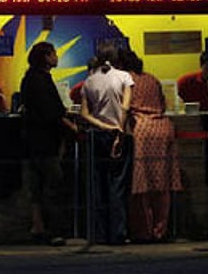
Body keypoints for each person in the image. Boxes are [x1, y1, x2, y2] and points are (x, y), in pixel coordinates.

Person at [120, 50, 183, 243]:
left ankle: (143, 232)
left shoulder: (125, 78)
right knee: (162, 185)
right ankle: (160, 230)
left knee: (141, 186)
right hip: (163, 128)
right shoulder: (153, 79)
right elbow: (163, 105)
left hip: (141, 130)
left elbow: (123, 106)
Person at [19, 42, 78, 247]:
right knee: (53, 185)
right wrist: (71, 126)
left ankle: (37, 227)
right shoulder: (42, 80)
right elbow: (51, 112)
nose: (56, 57)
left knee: (36, 188)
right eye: (53, 53)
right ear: (45, 57)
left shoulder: (28, 78)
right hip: (45, 142)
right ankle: (54, 231)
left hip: (31, 142)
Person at [80, 42, 134, 245]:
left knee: (98, 185)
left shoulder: (89, 81)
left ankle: (100, 234)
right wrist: (118, 132)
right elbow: (125, 106)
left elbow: (84, 114)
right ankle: (118, 234)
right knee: (118, 185)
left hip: (97, 136)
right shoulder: (124, 77)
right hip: (119, 133)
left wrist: (102, 125)